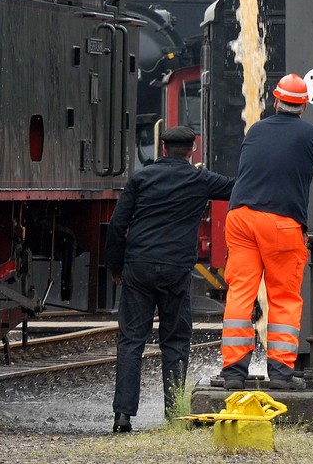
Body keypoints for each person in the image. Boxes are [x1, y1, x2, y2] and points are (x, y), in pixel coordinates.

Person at [218, 73, 313, 392]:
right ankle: (280, 373)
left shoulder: (255, 131)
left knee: (240, 292)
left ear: (276, 99)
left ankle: (233, 373)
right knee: (282, 296)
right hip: (280, 223)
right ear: (304, 105)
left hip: (239, 218)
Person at [105, 125, 235, 434]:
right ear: (192, 150)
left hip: (138, 267)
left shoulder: (140, 179)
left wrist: (115, 266)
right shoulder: (200, 179)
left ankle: (123, 415)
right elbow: (237, 188)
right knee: (176, 341)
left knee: (131, 340)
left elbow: (117, 224)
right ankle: (175, 411)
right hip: (176, 270)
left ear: (162, 149)